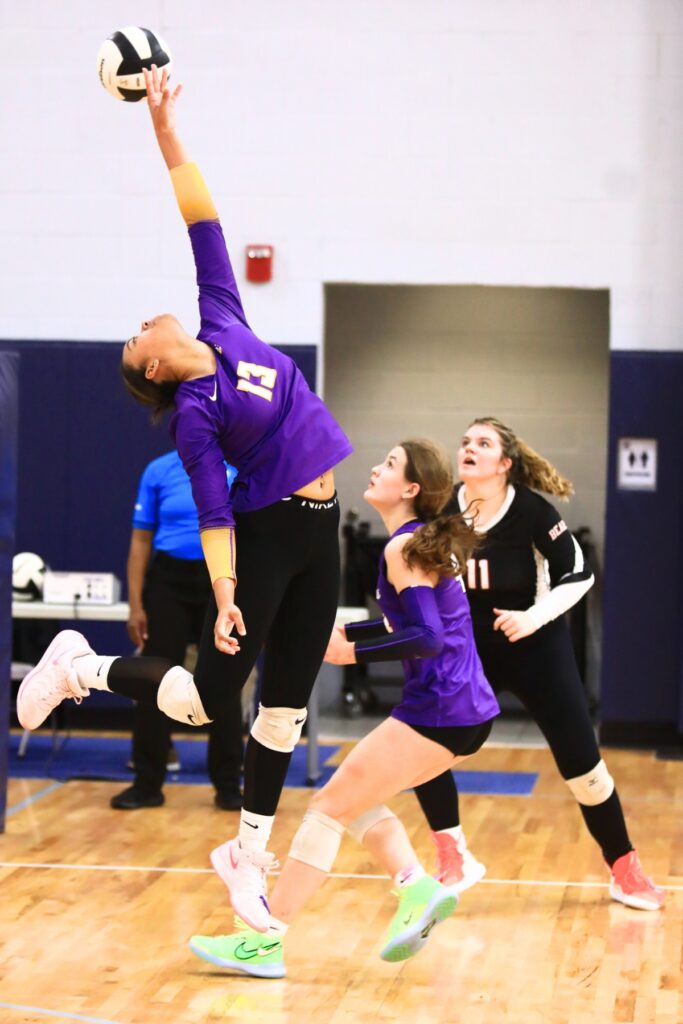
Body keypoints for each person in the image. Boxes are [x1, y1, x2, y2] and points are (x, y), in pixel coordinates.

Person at [17, 65, 352, 931]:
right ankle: (80, 667)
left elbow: (199, 212)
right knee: (210, 701)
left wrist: (162, 124)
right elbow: (213, 511)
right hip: (272, 536)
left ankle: (246, 861)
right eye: (137, 339)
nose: (143, 322)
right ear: (152, 367)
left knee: (280, 711)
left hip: (322, 533)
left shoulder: (223, 317)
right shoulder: (195, 419)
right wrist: (229, 591)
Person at [188, 438, 500, 977]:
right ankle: (415, 885)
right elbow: (412, 624)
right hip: (466, 711)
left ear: (410, 489)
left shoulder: (401, 548)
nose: (375, 468)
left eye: (390, 464)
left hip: (441, 708)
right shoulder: (418, 542)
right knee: (349, 801)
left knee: (326, 810)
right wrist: (346, 632)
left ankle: (266, 942)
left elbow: (424, 636)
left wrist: (351, 651)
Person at [412, 417, 664, 911]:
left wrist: (533, 617)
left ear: (504, 464)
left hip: (535, 645)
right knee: (422, 745)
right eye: (465, 442)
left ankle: (625, 868)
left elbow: (579, 572)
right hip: (471, 649)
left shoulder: (530, 511)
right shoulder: (443, 510)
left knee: (584, 768)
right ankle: (452, 853)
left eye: (482, 443)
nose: (468, 448)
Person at [112, 449, 243, 812]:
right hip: (168, 581)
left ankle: (229, 785)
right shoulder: (158, 470)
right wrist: (136, 605)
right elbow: (140, 540)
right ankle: (147, 784)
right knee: (154, 681)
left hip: (219, 580)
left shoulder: (237, 467)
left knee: (224, 680)